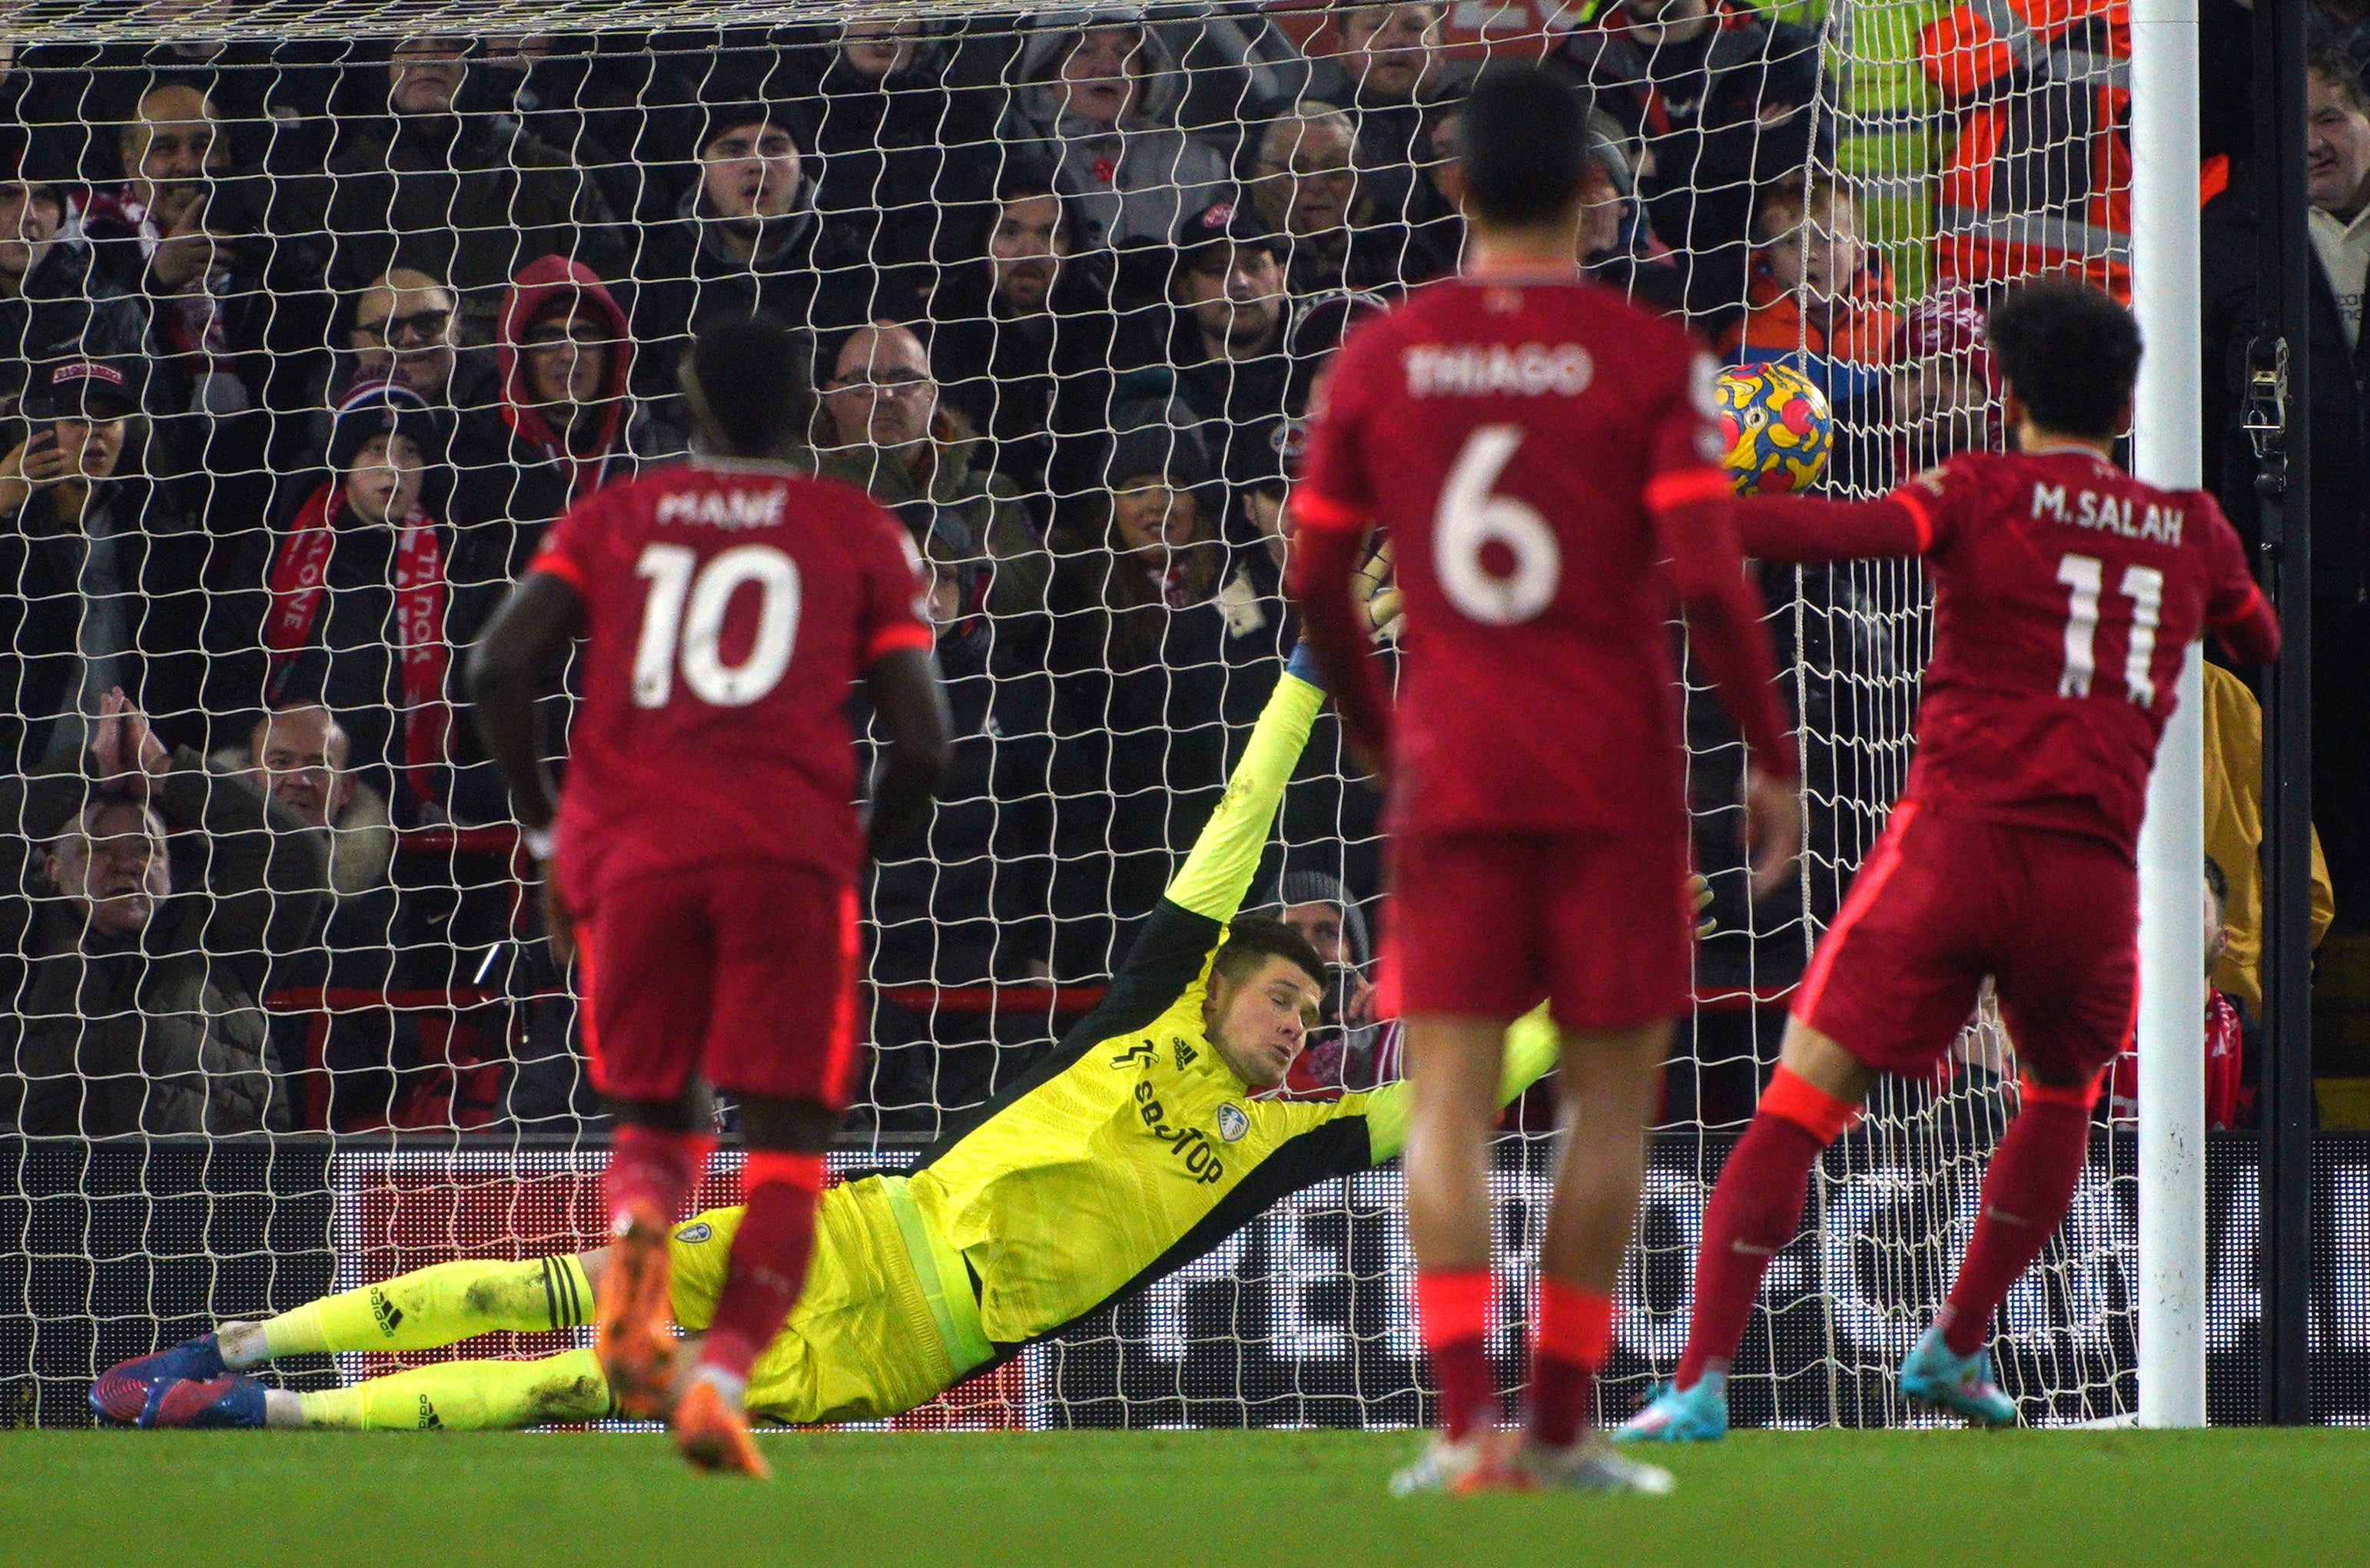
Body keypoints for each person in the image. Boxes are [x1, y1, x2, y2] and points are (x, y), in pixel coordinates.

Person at [92, 653, 1568, 1441]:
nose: (1301, 1030)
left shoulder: (1284, 1147)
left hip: (906, 1341)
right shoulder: (1143, 1014)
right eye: (1285, 1004)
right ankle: (219, 1348)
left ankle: (261, 1413)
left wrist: (1589, 989)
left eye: (1315, 1025)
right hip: (860, 1229)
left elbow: (1470, 1084)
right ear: (1219, 985)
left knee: (576, 1381)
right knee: (547, 1284)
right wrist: (1305, 682)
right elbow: (1233, 826)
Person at [1615, 279, 2282, 1445]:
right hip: (2092, 875)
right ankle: (1956, 1345)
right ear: (2128, 404)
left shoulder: (1978, 489)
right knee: (2060, 1094)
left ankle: (1702, 1381)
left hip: (1956, 843)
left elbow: (1835, 532)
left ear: (2005, 392)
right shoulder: (2194, 529)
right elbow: (2258, 634)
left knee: (1801, 1104)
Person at [1289, 63, 1801, 1494]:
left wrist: (1385, 735)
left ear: (1448, 187)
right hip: (1614, 777)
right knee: (1604, 1112)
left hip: (1451, 769)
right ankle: (1564, 1426)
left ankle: (1463, 1429)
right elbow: (1706, 578)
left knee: (1444, 1101)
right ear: (1592, 188)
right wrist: (1766, 755)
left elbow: (1314, 574)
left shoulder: (1382, 358)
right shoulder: (1644, 356)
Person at [462, 312, 950, 1474]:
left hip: (631, 855)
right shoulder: (857, 527)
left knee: (656, 1113)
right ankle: (722, 1375)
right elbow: (926, 744)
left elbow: (495, 666)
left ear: (685, 397)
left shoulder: (616, 515)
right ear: (807, 411)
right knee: (787, 1143)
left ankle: (635, 1238)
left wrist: (545, 838)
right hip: (785, 856)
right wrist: (854, 856)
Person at [2202, 47, 2370, 937]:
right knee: (2292, 803)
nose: (2313, 144)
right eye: (2293, 125)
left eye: (2332, 119)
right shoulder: (2226, 237)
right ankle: (2288, 1009)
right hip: (2279, 594)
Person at [0, 691, 324, 1137]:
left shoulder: (218, 936)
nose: (128, 864)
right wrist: (87, 770)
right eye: (98, 847)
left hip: (207, 1195)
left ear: (170, 869)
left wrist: (166, 772)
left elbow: (297, 854)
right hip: (50, 1195)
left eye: (146, 849)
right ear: (53, 868)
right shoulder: (21, 941)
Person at [293, 35, 626, 340]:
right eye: (408, 45)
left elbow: (608, 299)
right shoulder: (336, 187)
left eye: (449, 43)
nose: (427, 58)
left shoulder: (553, 176)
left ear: (478, 59)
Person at [216, 702, 420, 1131]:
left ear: (346, 788)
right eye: (280, 762)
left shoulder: (382, 898)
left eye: (318, 766)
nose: (299, 780)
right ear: (252, 779)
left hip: (337, 1117)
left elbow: (387, 1048)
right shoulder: (199, 871)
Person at [814, 320, 1050, 621]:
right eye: (863, 383)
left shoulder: (988, 496)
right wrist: (962, 569)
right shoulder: (799, 493)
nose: (885, 396)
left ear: (932, 396)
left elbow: (1028, 603)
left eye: (905, 381)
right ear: (832, 398)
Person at [0, 360, 144, 772]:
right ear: (38, 430)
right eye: (76, 418)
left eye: (108, 419)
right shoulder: (13, 533)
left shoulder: (154, 535)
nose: (93, 432)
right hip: (22, 774)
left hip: (124, 778)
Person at [1005, 21, 1231, 252]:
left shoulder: (1195, 164)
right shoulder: (1013, 153)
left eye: (1125, 52)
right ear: (1047, 69)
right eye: (1084, 50)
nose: (1109, 67)